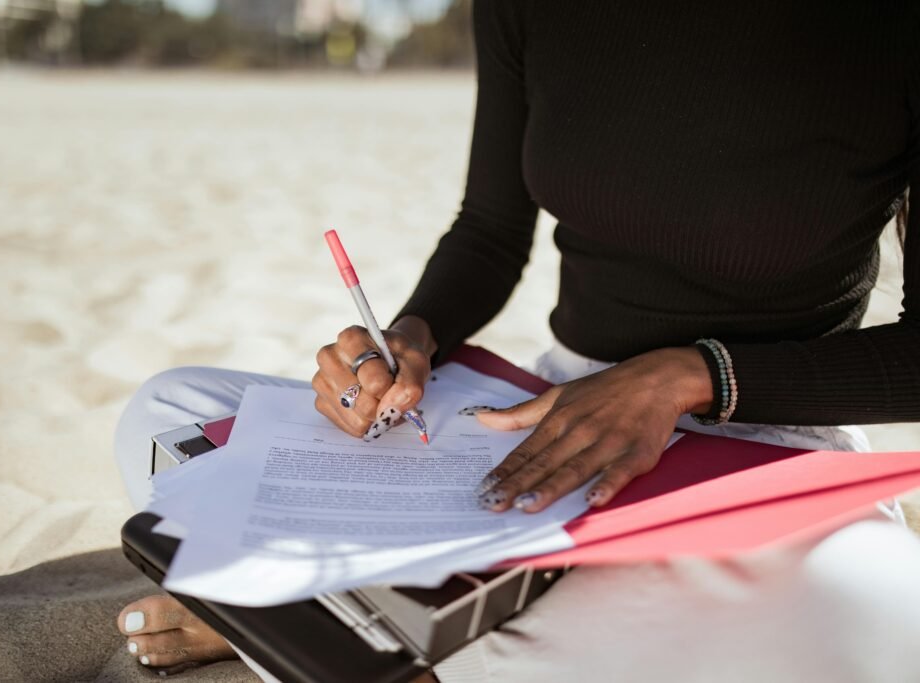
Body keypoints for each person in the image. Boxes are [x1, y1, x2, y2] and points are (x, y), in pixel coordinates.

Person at [113, 1, 920, 680]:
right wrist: (409, 339)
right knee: (171, 408)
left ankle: (325, 620)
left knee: (885, 611)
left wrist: (685, 375)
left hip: (761, 436)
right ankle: (360, 625)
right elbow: (491, 232)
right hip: (541, 410)